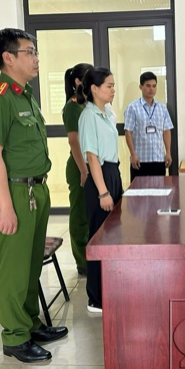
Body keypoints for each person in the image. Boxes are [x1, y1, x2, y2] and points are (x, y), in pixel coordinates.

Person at [0, 28, 68, 363]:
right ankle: (15, 337)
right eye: (29, 52)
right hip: (15, 192)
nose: (36, 58)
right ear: (8, 57)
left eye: (35, 52)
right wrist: (5, 207)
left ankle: (29, 323)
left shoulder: (25, 95)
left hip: (35, 189)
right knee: (15, 268)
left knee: (31, 265)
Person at [78, 67, 123, 313]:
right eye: (109, 85)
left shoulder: (107, 113)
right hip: (100, 179)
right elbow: (92, 157)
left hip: (112, 173)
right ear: (94, 89)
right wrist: (103, 192)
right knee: (98, 238)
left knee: (113, 235)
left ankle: (110, 288)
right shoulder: (88, 116)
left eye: (113, 85)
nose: (113, 89)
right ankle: (95, 297)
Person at [62, 63, 93, 276]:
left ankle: (91, 256)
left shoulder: (86, 104)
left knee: (90, 215)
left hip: (91, 164)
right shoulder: (72, 106)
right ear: (77, 81)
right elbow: (74, 142)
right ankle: (82, 261)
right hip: (79, 165)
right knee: (80, 216)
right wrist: (83, 171)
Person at [124, 72, 174, 182]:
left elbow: (166, 131)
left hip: (158, 159)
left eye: (154, 86)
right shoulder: (132, 108)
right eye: (148, 86)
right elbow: (128, 133)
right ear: (140, 87)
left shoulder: (162, 108)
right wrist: (133, 155)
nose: (151, 89)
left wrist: (168, 153)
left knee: (159, 190)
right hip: (140, 160)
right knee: (139, 191)